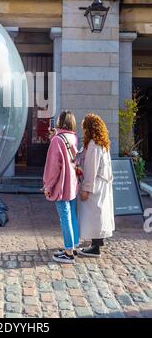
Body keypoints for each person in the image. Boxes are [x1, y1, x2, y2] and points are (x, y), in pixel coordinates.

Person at [43, 110, 79, 264]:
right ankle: (73, 246)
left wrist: (47, 186)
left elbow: (53, 167)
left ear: (61, 121)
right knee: (72, 216)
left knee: (65, 217)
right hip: (72, 183)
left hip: (62, 184)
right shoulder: (73, 137)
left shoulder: (57, 140)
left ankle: (68, 252)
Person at [78, 113, 115, 258]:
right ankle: (98, 241)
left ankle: (95, 247)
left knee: (94, 215)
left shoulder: (94, 145)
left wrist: (86, 189)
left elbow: (91, 169)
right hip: (103, 184)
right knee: (100, 213)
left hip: (95, 185)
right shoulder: (103, 143)